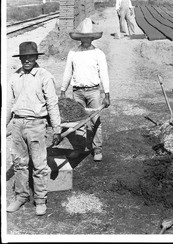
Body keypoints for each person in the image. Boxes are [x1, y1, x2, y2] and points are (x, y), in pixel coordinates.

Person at [6, 41, 62, 215]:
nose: (27, 60)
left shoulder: (45, 76)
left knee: (38, 164)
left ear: (36, 57)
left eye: (30, 56)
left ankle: (40, 199)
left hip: (37, 125)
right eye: (24, 57)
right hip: (17, 125)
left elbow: (52, 103)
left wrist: (57, 128)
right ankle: (21, 196)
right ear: (20, 58)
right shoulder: (14, 77)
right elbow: (8, 104)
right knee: (19, 163)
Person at [60, 18, 110, 162]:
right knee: (78, 122)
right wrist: (63, 90)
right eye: (83, 37)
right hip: (77, 91)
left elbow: (104, 74)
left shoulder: (98, 53)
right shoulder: (73, 52)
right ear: (80, 38)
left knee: (95, 120)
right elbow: (67, 72)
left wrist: (107, 94)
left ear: (92, 38)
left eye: (88, 37)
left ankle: (97, 148)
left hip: (94, 91)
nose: (86, 39)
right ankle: (79, 148)